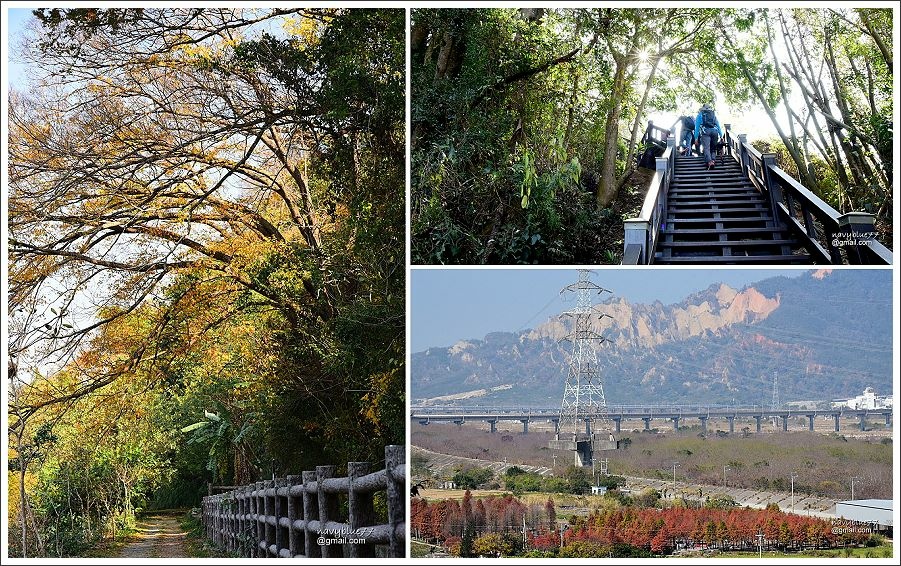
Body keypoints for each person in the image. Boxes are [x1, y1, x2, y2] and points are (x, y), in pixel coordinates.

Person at [694, 103, 723, 169]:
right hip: (715, 132)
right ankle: (713, 160)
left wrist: (696, 138)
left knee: (706, 148)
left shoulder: (700, 114)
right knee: (713, 148)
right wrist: (721, 135)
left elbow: (697, 127)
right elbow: (718, 125)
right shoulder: (713, 115)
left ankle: (710, 162)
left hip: (705, 132)